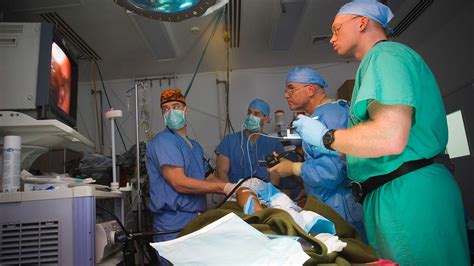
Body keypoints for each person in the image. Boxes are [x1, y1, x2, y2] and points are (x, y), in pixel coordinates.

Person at [292, 0, 469, 264]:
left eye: (336, 29)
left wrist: (326, 137)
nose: (331, 38)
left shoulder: (384, 56)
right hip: (395, 191)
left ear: (362, 22)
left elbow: (389, 137)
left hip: (406, 193)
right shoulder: (378, 63)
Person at [268, 67, 366, 240]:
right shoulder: (324, 114)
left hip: (342, 211)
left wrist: (293, 168)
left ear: (311, 89)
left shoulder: (330, 116)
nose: (286, 94)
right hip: (332, 203)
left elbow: (332, 172)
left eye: (291, 88)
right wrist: (309, 191)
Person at [146, 88, 235, 265]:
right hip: (172, 222)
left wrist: (236, 188)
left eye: (176, 106)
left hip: (196, 218)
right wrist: (223, 188)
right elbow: (179, 183)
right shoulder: (163, 141)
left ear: (186, 110)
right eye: (166, 108)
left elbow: (207, 176)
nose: (171, 111)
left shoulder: (194, 146)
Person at [215, 99, 284, 183]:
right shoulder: (229, 141)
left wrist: (268, 193)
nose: (251, 116)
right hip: (235, 192)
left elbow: (276, 174)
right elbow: (221, 171)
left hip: (264, 193)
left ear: (265, 120)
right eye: (249, 112)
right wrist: (230, 192)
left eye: (256, 114)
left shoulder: (273, 143)